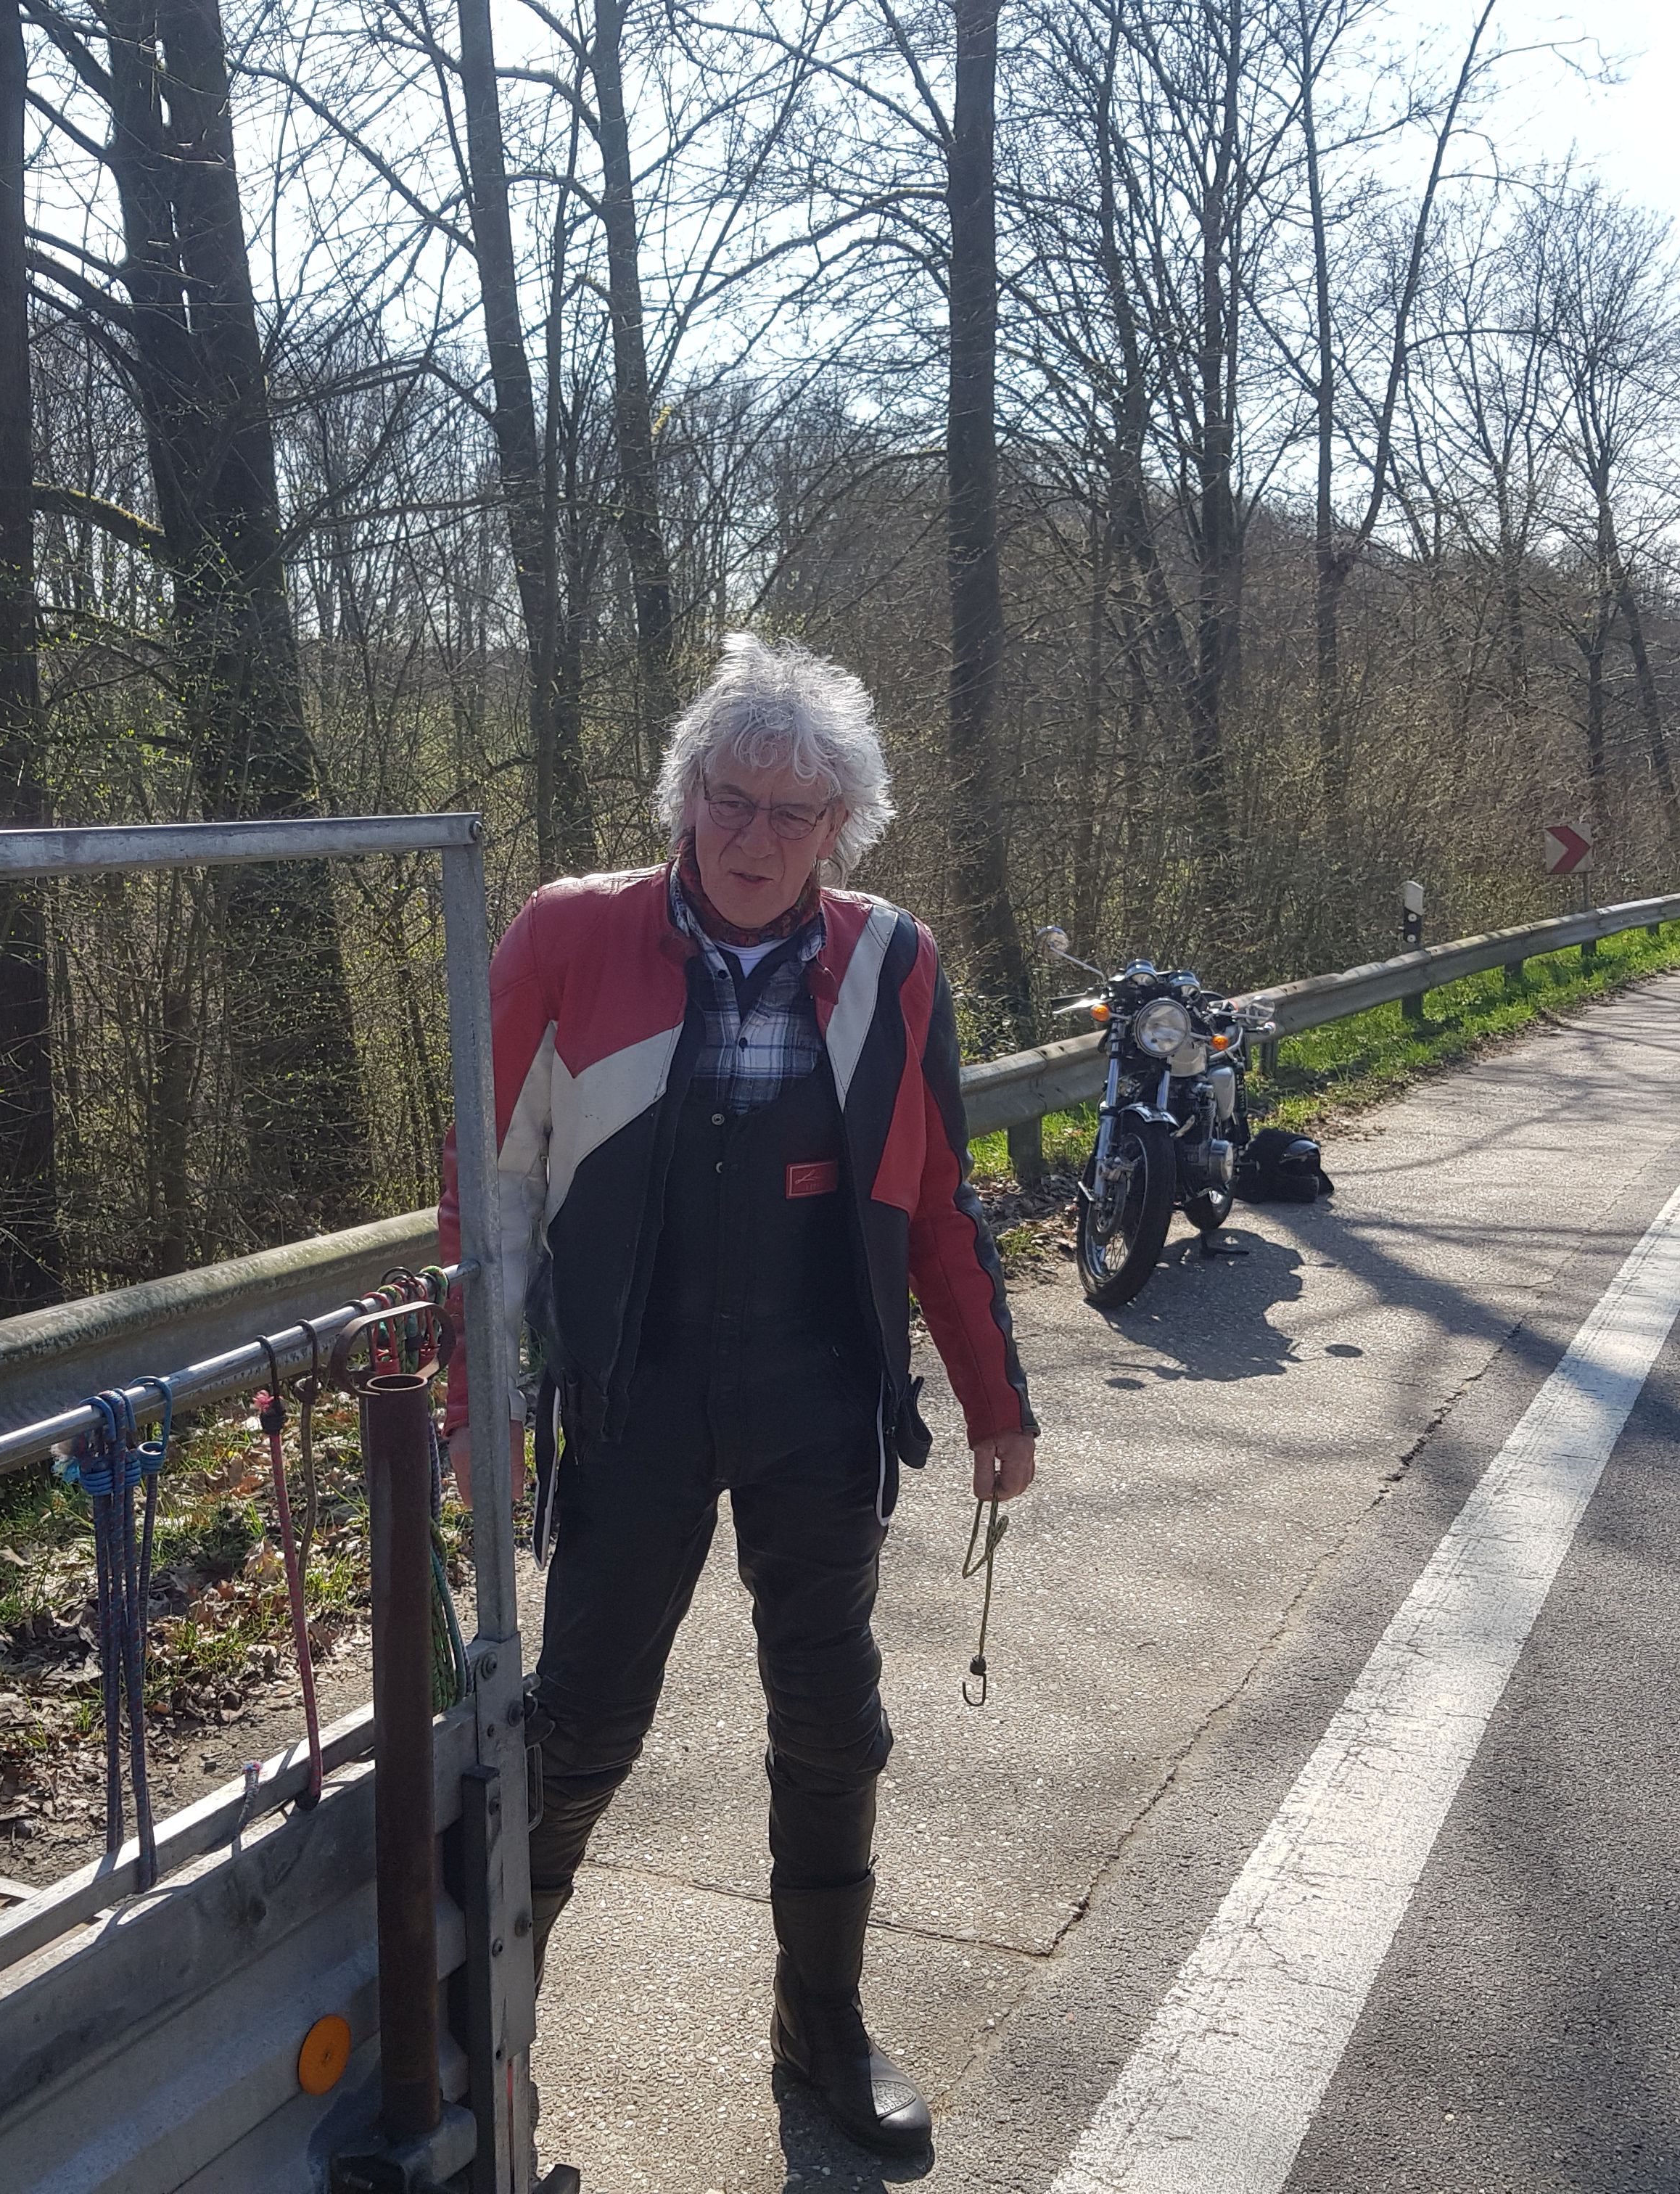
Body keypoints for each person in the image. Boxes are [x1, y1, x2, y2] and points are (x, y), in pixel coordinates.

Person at [441, 633, 1039, 2157]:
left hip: (817, 1398)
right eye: (729, 800)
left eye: (791, 813)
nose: (753, 839)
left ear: (841, 827)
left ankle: (819, 2027)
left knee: (835, 1725)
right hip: (634, 1396)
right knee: (579, 1727)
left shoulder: (892, 963)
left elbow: (937, 1198)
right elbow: (489, 1195)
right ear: (684, 796)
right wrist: (478, 1406)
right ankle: (478, 2045)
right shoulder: (570, 934)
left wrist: (995, 1400)